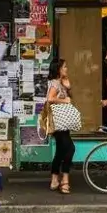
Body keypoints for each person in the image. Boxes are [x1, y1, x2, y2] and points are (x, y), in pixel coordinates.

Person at [46, 58, 75, 194]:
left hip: (64, 121)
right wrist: (64, 100)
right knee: (70, 148)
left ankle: (54, 178)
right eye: (64, 67)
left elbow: (71, 96)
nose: (66, 69)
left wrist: (67, 84)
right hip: (58, 122)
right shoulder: (55, 83)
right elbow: (50, 99)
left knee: (61, 150)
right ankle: (65, 179)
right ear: (58, 69)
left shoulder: (61, 82)